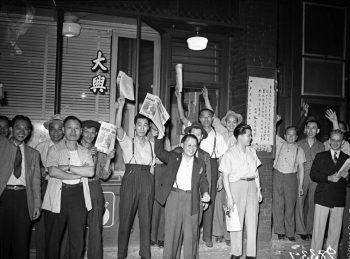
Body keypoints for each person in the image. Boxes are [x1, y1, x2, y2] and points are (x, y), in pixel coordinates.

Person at [176, 89, 228, 247]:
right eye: (203, 117)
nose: (206, 119)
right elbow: (182, 117)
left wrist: (219, 176)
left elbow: (221, 158)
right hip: (192, 163)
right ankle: (190, 234)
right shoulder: (194, 130)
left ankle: (207, 237)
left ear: (213, 119)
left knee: (208, 201)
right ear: (199, 118)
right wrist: (179, 99)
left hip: (211, 166)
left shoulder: (218, 136)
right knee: (192, 198)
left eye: (209, 117)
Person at [43, 116, 95, 259]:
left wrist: (67, 167)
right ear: (64, 130)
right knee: (53, 239)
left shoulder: (85, 151)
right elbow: (52, 171)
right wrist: (77, 174)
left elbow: (90, 172)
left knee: (77, 239)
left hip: (78, 196)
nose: (73, 131)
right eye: (69, 128)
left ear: (80, 131)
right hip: (58, 196)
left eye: (77, 128)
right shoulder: (54, 149)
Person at [154, 132, 210, 259]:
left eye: (194, 146)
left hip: (192, 199)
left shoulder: (200, 163)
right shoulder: (174, 157)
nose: (191, 148)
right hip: (174, 197)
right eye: (188, 145)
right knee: (172, 234)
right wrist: (160, 136)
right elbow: (158, 151)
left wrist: (206, 192)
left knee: (191, 236)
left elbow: (203, 181)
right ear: (182, 145)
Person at [116, 97, 155, 259]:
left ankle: (145, 254)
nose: (142, 127)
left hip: (147, 179)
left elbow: (154, 165)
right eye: (139, 124)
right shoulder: (127, 141)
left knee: (146, 220)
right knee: (125, 219)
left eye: (145, 125)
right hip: (131, 178)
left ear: (148, 128)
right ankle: (121, 254)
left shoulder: (152, 144)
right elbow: (117, 127)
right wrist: (121, 107)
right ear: (135, 126)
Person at [203, 86, 243, 244]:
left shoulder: (240, 137)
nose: (231, 124)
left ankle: (228, 235)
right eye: (229, 121)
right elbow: (211, 116)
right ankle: (218, 233)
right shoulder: (219, 131)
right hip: (220, 174)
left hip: (233, 177)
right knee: (218, 203)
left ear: (237, 124)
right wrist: (206, 98)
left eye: (234, 122)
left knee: (230, 205)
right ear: (225, 123)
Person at [0, 115, 41, 259]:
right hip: (3, 196)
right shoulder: (1, 145)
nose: (21, 131)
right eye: (18, 127)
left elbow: (36, 182)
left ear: (29, 132)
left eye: (26, 129)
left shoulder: (34, 154)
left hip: (24, 199)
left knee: (22, 241)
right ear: (11, 129)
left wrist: (37, 205)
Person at [219, 124, 262, 259]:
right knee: (236, 222)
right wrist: (229, 197)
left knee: (252, 221)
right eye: (248, 135)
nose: (250, 137)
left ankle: (251, 254)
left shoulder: (252, 152)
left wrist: (258, 189)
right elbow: (225, 176)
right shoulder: (229, 153)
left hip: (251, 187)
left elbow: (256, 172)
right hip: (236, 186)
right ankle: (236, 253)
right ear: (240, 136)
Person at [310, 129, 349, 256]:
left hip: (338, 199)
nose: (336, 143)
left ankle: (331, 257)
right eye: (333, 140)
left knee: (335, 233)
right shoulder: (320, 156)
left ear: (342, 142)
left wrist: (347, 176)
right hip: (322, 197)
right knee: (318, 232)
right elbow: (313, 175)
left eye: (339, 140)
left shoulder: (347, 159)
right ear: (329, 141)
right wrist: (328, 178)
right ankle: (314, 256)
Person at [80, 120, 115, 259]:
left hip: (94, 187)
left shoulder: (100, 150)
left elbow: (104, 176)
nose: (89, 135)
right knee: (75, 227)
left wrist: (108, 159)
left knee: (95, 228)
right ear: (81, 131)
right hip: (76, 187)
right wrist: (88, 154)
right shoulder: (74, 147)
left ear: (96, 134)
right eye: (86, 132)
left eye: (92, 133)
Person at [35, 114, 65, 259]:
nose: (56, 132)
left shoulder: (70, 146)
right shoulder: (40, 147)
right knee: (42, 225)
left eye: (60, 129)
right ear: (48, 130)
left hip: (62, 188)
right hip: (45, 187)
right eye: (53, 129)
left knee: (61, 226)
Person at [273, 126, 306, 241]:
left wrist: (300, 185)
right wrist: (275, 123)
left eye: (293, 135)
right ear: (285, 136)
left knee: (290, 206)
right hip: (277, 175)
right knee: (278, 204)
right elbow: (271, 133)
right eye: (288, 134)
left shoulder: (299, 150)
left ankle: (290, 232)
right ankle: (279, 231)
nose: (291, 137)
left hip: (291, 177)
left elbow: (301, 168)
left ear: (296, 137)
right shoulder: (280, 143)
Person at [295, 119, 325, 240]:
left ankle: (310, 229)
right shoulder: (299, 144)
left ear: (317, 131)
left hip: (316, 178)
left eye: (314, 128)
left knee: (313, 203)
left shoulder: (321, 146)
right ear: (305, 129)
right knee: (300, 202)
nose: (311, 130)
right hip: (301, 176)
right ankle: (301, 230)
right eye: (309, 127)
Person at [149, 122, 171, 248]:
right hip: (150, 171)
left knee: (162, 204)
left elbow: (168, 157)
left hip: (162, 170)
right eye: (153, 126)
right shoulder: (146, 138)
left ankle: (161, 237)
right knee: (152, 205)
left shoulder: (165, 140)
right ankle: (151, 236)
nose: (156, 129)